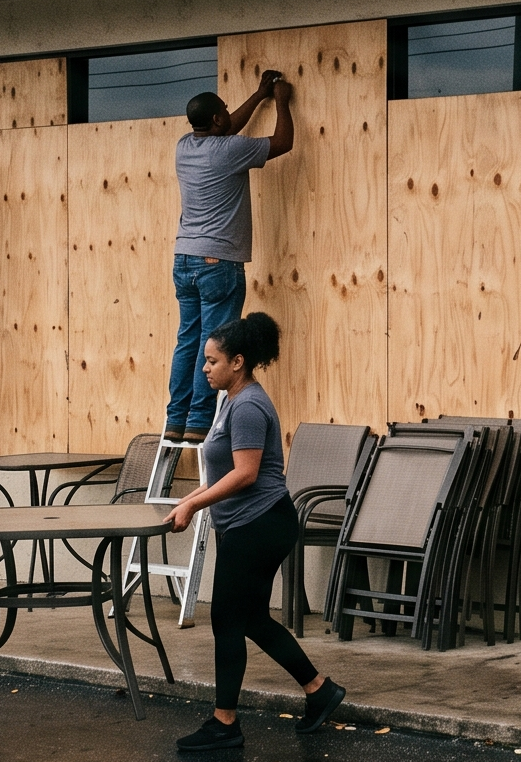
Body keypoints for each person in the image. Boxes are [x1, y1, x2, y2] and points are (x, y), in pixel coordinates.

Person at [165, 312, 345, 751]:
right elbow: (226, 471)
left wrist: (193, 503)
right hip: (254, 524)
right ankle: (319, 690)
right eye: (204, 361)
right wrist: (190, 500)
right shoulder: (232, 400)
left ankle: (225, 724)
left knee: (228, 620)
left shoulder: (247, 405)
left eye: (212, 361)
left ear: (238, 362)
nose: (205, 368)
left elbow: (245, 474)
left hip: (260, 524)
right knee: (250, 619)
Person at [166, 72, 292, 442]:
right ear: (218, 120)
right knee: (214, 344)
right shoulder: (230, 151)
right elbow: (283, 142)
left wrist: (257, 96)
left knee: (188, 341)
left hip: (185, 258)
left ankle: (177, 418)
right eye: (224, 110)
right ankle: (199, 423)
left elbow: (227, 124)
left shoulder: (184, 145)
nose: (228, 114)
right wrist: (280, 100)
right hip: (217, 263)